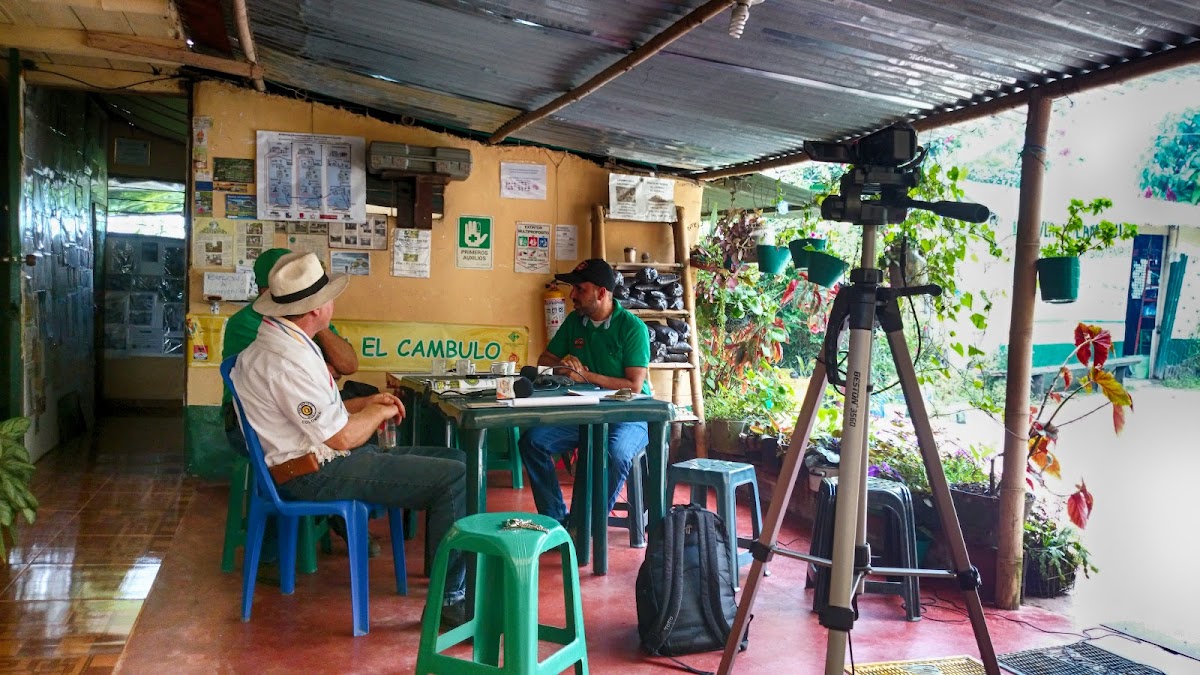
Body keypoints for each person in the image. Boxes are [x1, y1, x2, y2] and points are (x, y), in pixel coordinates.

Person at [229, 252, 468, 626]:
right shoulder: (284, 359)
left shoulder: (285, 341)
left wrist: (365, 402)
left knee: (456, 460)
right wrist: (377, 412)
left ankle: (447, 582)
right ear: (316, 309)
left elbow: (321, 414)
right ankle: (449, 604)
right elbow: (340, 438)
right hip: (312, 472)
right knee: (451, 479)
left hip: (316, 457)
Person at [518, 258, 651, 529]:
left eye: (580, 289)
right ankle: (557, 522)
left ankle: (586, 527)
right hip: (585, 414)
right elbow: (545, 359)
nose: (572, 295)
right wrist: (563, 367)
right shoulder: (574, 322)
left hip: (629, 416)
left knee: (615, 454)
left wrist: (586, 376)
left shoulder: (632, 328)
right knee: (532, 442)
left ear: (601, 293)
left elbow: (634, 385)